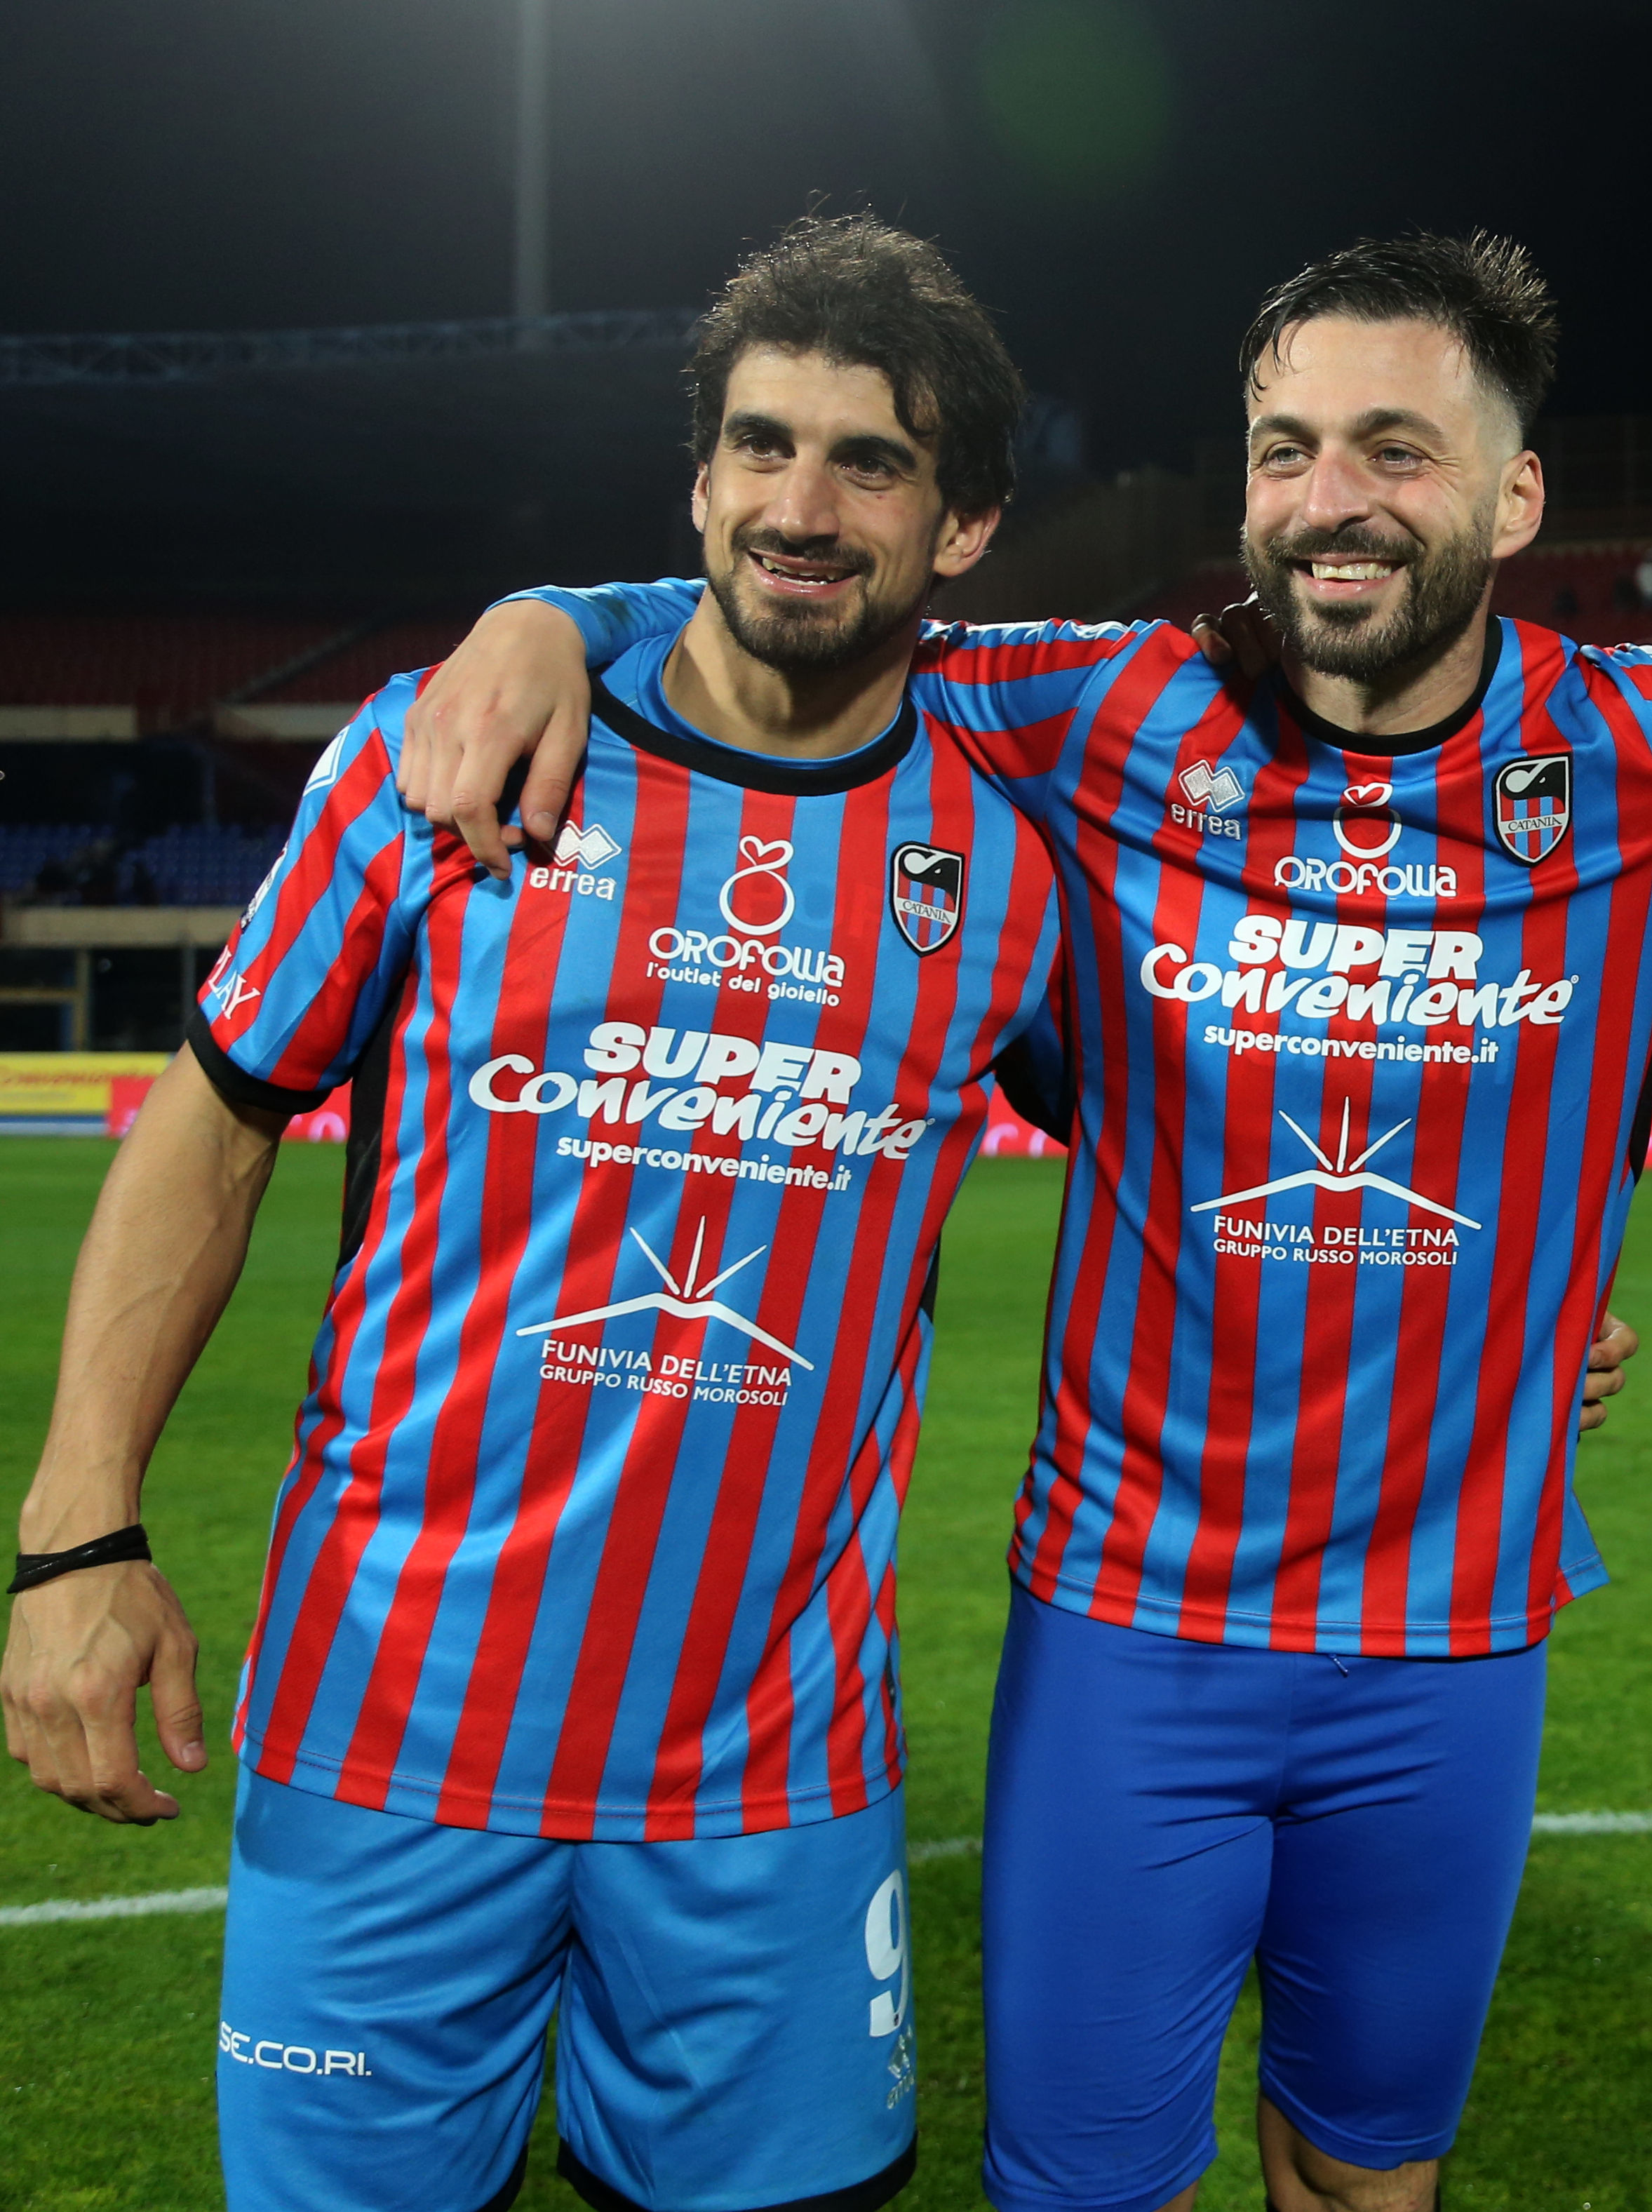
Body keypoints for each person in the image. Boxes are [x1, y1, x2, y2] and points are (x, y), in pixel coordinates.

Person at [396, 234, 1652, 2212]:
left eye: (1397, 447)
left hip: (1449, 1654)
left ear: (1514, 493)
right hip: (1131, 1627)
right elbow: (806, 606)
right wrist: (556, 616)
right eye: (1287, 447)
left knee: (1368, 2176)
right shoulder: (1092, 707)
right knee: (1084, 2192)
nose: (1332, 498)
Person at [5, 214, 1065, 2212]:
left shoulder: (1017, 864)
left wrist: (1536, 1302)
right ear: (697, 481)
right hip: (386, 1731)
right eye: (759, 446)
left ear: (966, 526)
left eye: (871, 463)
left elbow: (1224, 1120)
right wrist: (79, 1527)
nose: (801, 507)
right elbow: (218, 1118)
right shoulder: (449, 755)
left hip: (770, 1774)